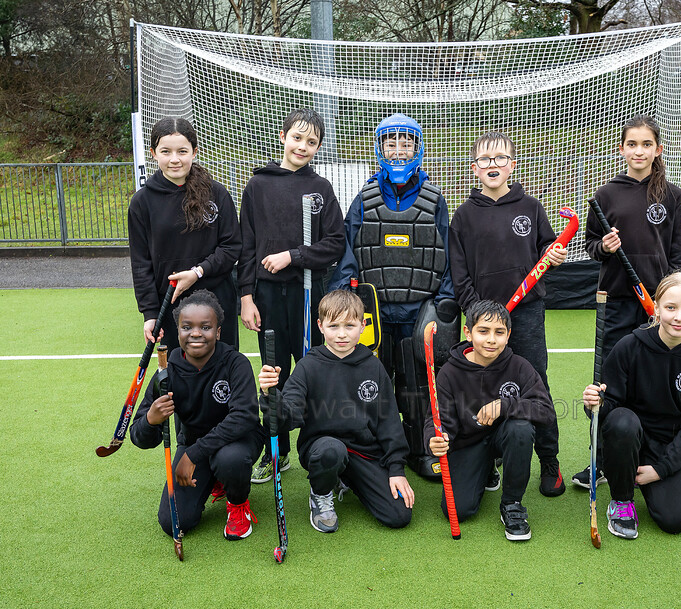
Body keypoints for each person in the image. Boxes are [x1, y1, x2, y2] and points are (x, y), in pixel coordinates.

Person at [329, 113, 458, 479]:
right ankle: (376, 453)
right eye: (391, 142)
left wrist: (446, 299)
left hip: (421, 308)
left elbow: (449, 251)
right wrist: (344, 291)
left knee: (418, 384)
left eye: (406, 143)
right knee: (375, 382)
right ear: (379, 146)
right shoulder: (364, 198)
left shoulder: (435, 199)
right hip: (376, 310)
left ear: (418, 147)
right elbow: (350, 249)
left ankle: (421, 451)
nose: (398, 150)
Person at [447, 131, 568, 497]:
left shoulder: (530, 207)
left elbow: (547, 248)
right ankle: (487, 457)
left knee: (536, 384)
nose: (493, 165)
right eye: (485, 160)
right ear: (474, 168)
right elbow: (459, 272)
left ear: (512, 165)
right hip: (482, 319)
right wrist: (475, 311)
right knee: (477, 386)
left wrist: (554, 254)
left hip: (526, 314)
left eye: (500, 158)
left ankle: (549, 461)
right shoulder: (464, 216)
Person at [573, 114, 681, 490]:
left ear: (657, 150)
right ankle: (601, 460)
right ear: (621, 149)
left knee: (651, 382)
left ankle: (648, 454)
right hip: (616, 304)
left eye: (646, 144)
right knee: (608, 387)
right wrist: (603, 248)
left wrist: (674, 299)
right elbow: (590, 245)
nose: (639, 151)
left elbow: (678, 256)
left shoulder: (671, 195)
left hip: (658, 308)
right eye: (632, 144)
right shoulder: (606, 195)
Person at [238, 108, 345, 484]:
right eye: (297, 138)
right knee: (273, 374)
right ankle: (276, 452)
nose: (303, 146)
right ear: (282, 136)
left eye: (312, 142)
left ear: (318, 147)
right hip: (266, 298)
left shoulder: (321, 188)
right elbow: (246, 246)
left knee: (316, 370)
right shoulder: (258, 186)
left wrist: (293, 256)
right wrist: (246, 297)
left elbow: (335, 243)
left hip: (308, 296)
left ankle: (321, 446)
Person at [258, 289, 414, 533]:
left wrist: (396, 469)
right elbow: (286, 418)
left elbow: (389, 422)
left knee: (398, 515)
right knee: (332, 452)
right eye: (333, 326)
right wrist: (270, 395)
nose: (342, 334)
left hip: (363, 451)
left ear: (363, 326)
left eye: (350, 326)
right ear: (320, 326)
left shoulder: (373, 366)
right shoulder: (308, 366)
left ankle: (347, 478)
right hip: (323, 448)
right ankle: (320, 492)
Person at [582, 272, 681, 539]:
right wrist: (594, 403)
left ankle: (641, 476)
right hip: (626, 436)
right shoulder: (628, 347)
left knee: (676, 520)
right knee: (623, 422)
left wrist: (661, 470)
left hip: (665, 447)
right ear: (656, 307)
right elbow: (607, 414)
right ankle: (622, 499)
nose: (679, 317)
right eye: (670, 307)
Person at [130, 290, 265, 541]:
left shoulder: (236, 363)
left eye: (205, 327)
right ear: (178, 331)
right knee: (174, 523)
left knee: (229, 459)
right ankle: (213, 478)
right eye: (186, 327)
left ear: (218, 332)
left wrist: (193, 454)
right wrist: (151, 419)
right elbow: (140, 437)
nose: (195, 333)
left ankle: (238, 504)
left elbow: (244, 417)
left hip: (238, 441)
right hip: (195, 445)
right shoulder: (166, 373)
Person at [425, 301, 556, 541]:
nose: (491, 340)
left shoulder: (519, 366)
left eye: (499, 332)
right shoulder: (449, 373)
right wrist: (435, 439)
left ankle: (512, 505)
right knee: (458, 511)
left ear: (509, 335)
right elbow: (436, 419)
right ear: (468, 333)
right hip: (467, 444)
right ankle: (486, 469)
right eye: (483, 331)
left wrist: (506, 406)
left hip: (503, 437)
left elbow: (546, 411)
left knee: (521, 428)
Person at [128, 117, 242, 353]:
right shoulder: (142, 203)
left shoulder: (217, 193)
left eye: (182, 151)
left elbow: (232, 246)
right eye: (166, 151)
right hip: (169, 305)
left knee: (221, 377)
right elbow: (141, 264)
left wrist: (197, 273)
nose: (174, 159)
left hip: (217, 301)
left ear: (194, 151)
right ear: (153, 153)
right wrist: (150, 313)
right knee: (179, 382)